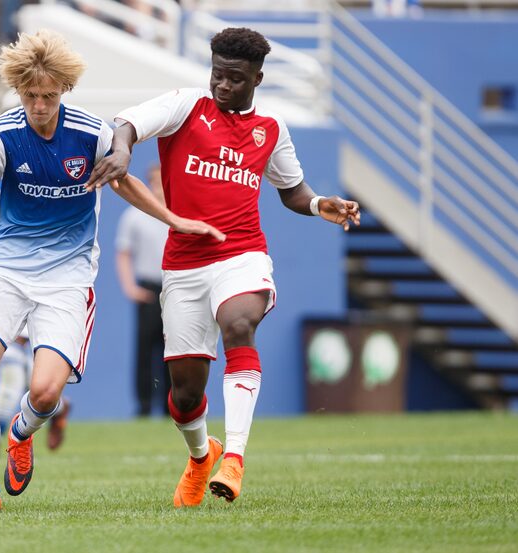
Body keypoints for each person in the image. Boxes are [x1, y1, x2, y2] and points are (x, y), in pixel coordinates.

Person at [0, 29, 223, 516]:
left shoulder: (90, 132)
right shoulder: (2, 132)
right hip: (5, 268)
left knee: (44, 392)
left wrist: (173, 219)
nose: (38, 105)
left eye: (47, 95)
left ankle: (21, 435)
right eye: (30, 96)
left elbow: (123, 183)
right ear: (18, 91)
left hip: (67, 278)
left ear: (64, 89)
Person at [87, 27, 360, 507]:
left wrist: (320, 205)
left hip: (242, 254)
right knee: (186, 396)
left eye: (235, 78)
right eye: (217, 75)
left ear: (257, 77)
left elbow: (291, 190)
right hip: (184, 266)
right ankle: (200, 457)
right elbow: (127, 123)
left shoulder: (271, 129)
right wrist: (124, 148)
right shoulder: (186, 106)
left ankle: (234, 457)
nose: (223, 86)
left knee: (239, 324)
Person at [0, 187, 72, 449]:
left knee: (32, 376)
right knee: (13, 371)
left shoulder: (39, 171)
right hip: (1, 280)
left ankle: (46, 414)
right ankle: (1, 438)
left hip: (42, 280)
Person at [115, 163, 170, 416]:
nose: (159, 187)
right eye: (155, 181)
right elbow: (123, 253)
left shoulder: (180, 212)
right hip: (148, 287)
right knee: (145, 349)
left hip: (175, 287)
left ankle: (174, 404)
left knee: (175, 348)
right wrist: (130, 287)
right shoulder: (135, 216)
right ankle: (144, 405)